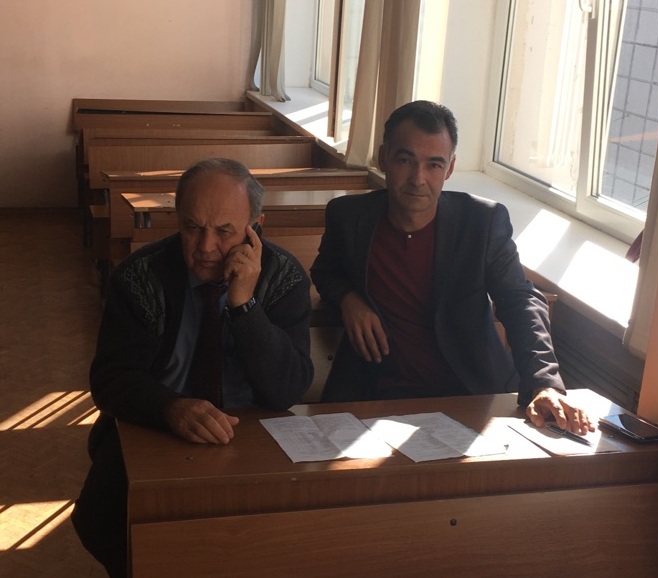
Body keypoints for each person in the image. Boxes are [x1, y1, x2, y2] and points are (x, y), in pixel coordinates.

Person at [72, 158, 313, 577]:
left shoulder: (284, 277)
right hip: (156, 432)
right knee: (121, 533)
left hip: (253, 437)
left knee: (284, 540)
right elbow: (110, 379)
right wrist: (170, 407)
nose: (205, 247)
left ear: (255, 228)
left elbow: (287, 389)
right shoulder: (140, 277)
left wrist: (244, 305)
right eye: (192, 227)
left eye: (224, 231)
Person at [310, 100, 593, 434]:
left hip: (470, 393)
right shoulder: (348, 216)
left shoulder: (482, 222)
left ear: (450, 168)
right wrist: (348, 298)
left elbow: (520, 299)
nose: (418, 179)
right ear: (384, 158)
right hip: (373, 393)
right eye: (405, 160)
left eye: (434, 164)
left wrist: (544, 382)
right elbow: (325, 271)